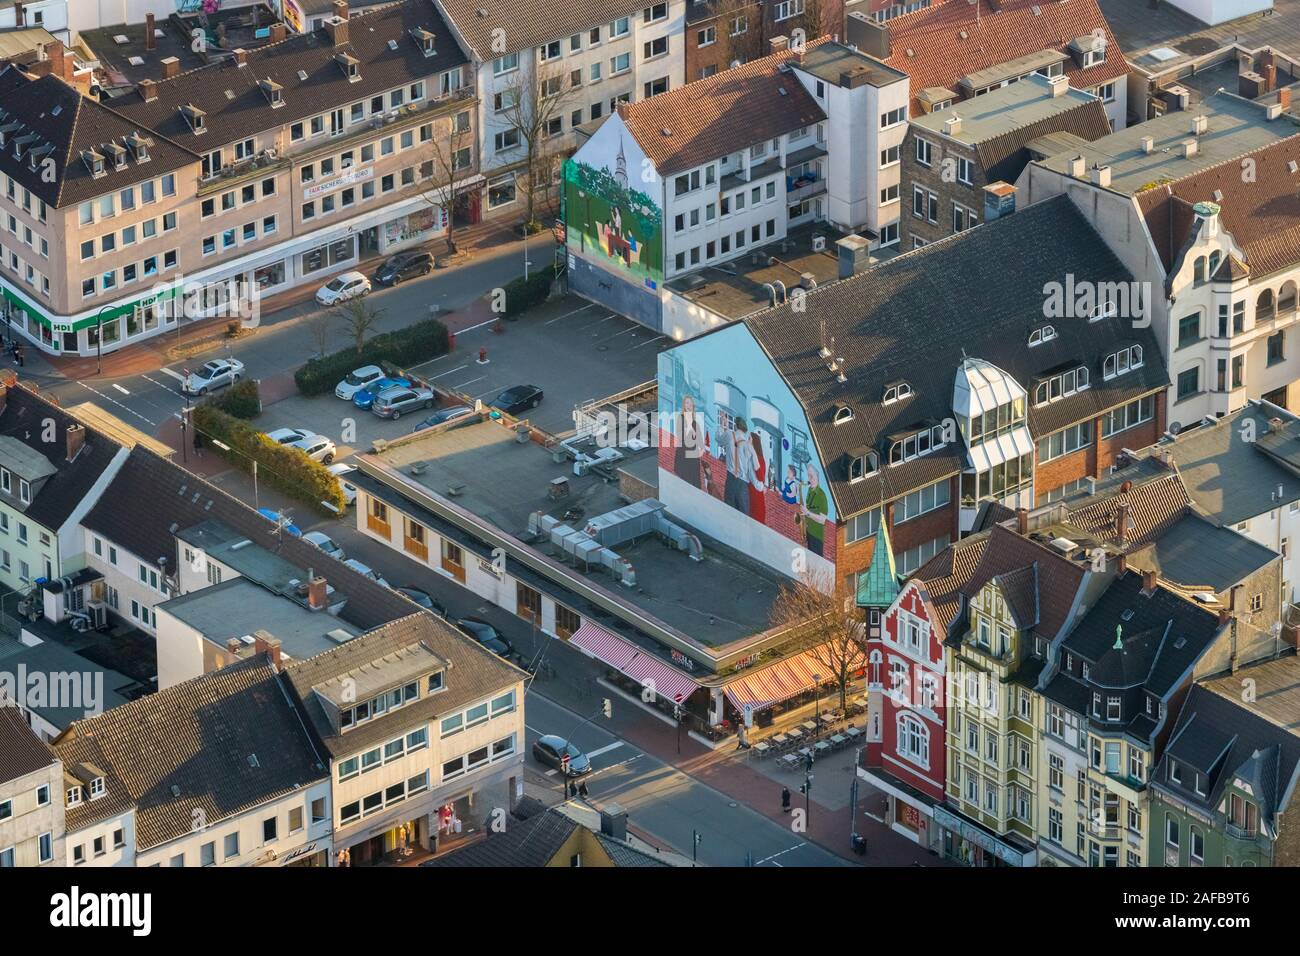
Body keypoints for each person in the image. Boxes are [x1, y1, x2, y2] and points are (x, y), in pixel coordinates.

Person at [672, 393, 702, 489]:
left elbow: (697, 438)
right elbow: (680, 434)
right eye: (686, 403)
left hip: (693, 455)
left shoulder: (695, 422)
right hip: (684, 453)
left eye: (690, 403)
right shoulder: (681, 418)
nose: (688, 405)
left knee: (694, 483)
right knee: (684, 482)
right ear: (684, 406)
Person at [800, 463, 829, 557]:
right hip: (808, 531)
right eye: (808, 475)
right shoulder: (809, 491)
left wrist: (807, 513)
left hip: (816, 536)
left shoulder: (821, 495)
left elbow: (822, 520)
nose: (809, 478)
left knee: (816, 561)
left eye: (812, 475)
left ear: (817, 476)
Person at [748, 432, 767, 524]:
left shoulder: (759, 460)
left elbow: (761, 479)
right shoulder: (753, 458)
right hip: (751, 495)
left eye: (750, 440)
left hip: (756, 497)